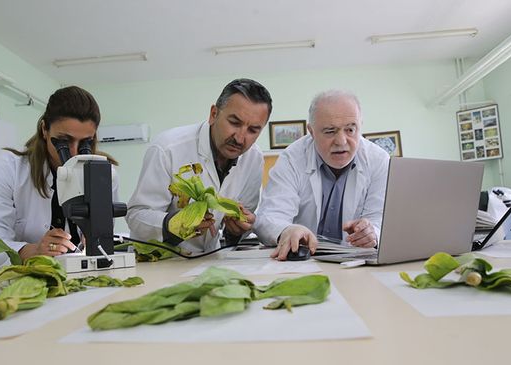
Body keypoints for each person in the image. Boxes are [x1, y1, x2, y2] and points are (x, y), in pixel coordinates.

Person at [126, 78, 272, 254]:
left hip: (209, 258)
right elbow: (136, 216)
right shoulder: (167, 148)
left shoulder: (253, 158)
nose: (240, 138)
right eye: (234, 122)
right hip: (161, 258)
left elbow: (240, 224)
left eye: (253, 130)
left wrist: (238, 230)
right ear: (213, 114)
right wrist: (173, 224)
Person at [0, 86, 119, 265]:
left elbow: (104, 233)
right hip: (26, 274)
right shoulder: (10, 168)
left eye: (84, 143)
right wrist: (32, 251)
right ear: (45, 129)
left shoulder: (105, 174)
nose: (74, 152)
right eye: (64, 141)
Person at [254, 90, 389, 261]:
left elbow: (379, 217)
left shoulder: (379, 160)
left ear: (360, 126)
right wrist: (286, 230)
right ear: (311, 131)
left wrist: (372, 233)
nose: (341, 141)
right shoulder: (292, 159)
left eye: (350, 129)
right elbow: (271, 215)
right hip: (303, 261)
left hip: (356, 261)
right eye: (330, 131)